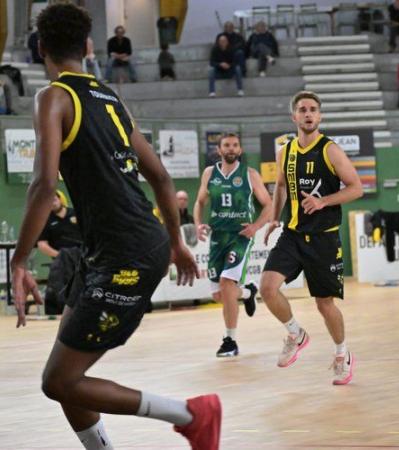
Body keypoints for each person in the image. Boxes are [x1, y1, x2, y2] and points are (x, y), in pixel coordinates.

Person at [9, 4, 220, 450]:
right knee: (66, 377)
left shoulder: (53, 97)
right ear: (88, 47)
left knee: (58, 381)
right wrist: (176, 245)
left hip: (125, 253)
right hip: (113, 248)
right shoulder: (111, 99)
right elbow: (161, 176)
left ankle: (190, 415)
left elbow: (45, 184)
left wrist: (20, 258)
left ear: (40, 48)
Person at [260, 90, 363, 385]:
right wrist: (274, 217)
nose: (308, 114)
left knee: (324, 304)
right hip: (292, 234)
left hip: (324, 239)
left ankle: (343, 354)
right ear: (294, 116)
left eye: (313, 109)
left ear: (319, 116)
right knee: (267, 288)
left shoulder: (330, 150)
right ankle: (295, 333)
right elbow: (280, 186)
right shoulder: (285, 152)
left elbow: (356, 188)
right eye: (303, 109)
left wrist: (323, 201)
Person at [193, 133, 272, 357]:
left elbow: (268, 204)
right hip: (218, 237)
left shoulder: (250, 174)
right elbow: (199, 202)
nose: (231, 149)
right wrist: (198, 224)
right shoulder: (209, 173)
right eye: (226, 145)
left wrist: (255, 227)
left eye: (235, 145)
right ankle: (248, 293)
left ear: (240, 150)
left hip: (240, 235)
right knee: (219, 295)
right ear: (219, 150)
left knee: (227, 283)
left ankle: (230, 341)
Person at [37, 191, 83, 315]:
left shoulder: (76, 214)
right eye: (49, 201)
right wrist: (61, 256)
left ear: (61, 200)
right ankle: (62, 305)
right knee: (63, 266)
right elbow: (42, 245)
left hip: (82, 255)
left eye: (54, 199)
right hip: (61, 258)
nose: (52, 203)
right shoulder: (46, 220)